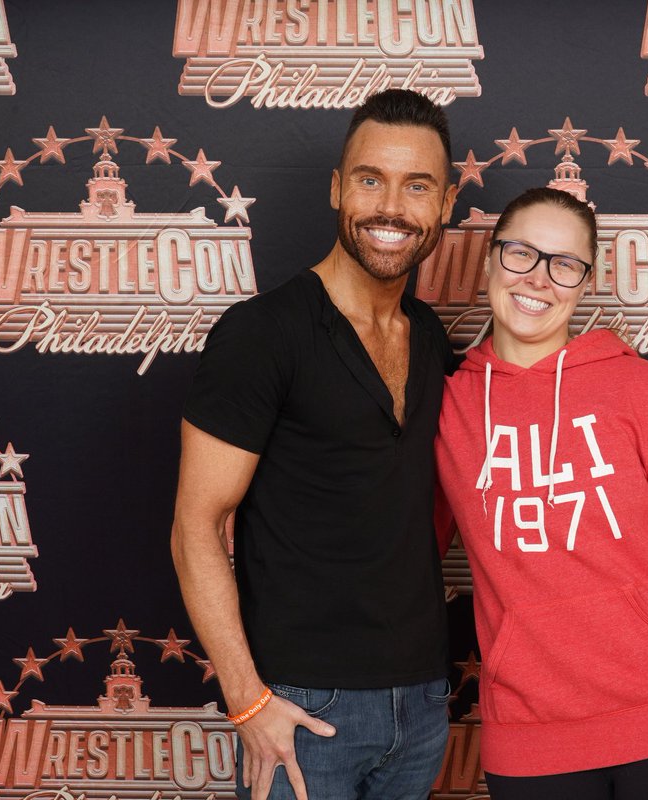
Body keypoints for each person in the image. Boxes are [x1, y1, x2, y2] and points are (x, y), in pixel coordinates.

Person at [434, 187, 648, 800]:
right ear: (489, 260)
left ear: (586, 282)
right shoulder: (449, 409)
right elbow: (399, 554)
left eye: (564, 263)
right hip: (532, 739)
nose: (539, 279)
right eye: (521, 254)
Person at [171, 89, 459, 800]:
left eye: (416, 185)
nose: (391, 208)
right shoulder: (262, 333)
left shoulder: (431, 339)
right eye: (370, 179)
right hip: (303, 708)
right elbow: (194, 527)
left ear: (445, 204)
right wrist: (247, 700)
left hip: (422, 703)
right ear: (336, 187)